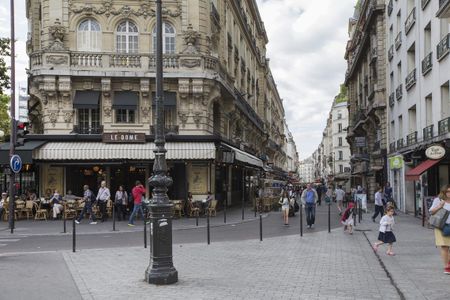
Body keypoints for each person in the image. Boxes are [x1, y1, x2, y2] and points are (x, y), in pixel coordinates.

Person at [429, 184, 450, 274]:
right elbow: (431, 211)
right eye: (448, 191)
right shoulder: (438, 200)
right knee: (445, 247)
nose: (449, 193)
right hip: (441, 226)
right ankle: (447, 266)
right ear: (444, 192)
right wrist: (440, 206)